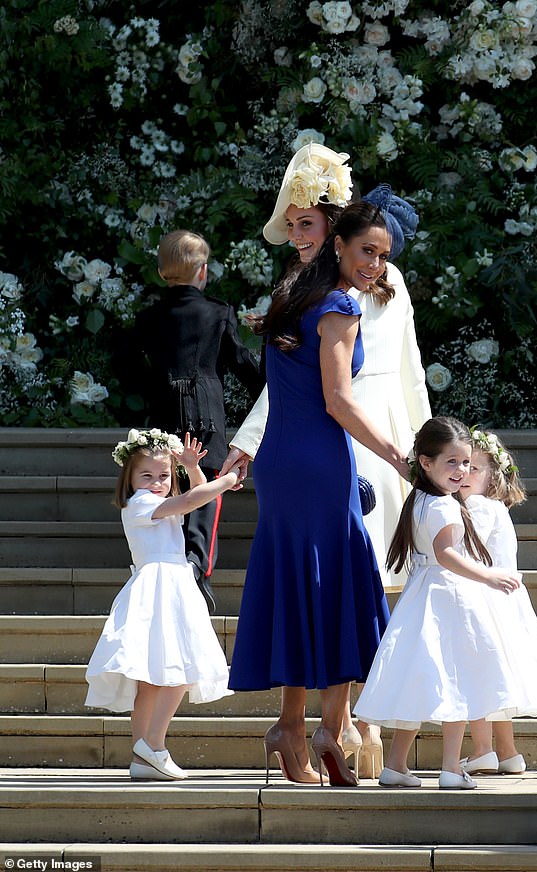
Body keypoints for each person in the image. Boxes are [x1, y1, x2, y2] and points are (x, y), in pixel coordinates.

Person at [221, 143, 431, 778]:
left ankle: (297, 728)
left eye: (383, 254)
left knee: (302, 584)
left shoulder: (294, 291)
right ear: (341, 243)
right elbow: (339, 399)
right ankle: (327, 732)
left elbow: (306, 387)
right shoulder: (337, 303)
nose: (376, 264)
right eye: (367, 250)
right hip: (326, 453)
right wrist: (402, 457)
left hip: (291, 457)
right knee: (339, 586)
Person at [354, 416, 526, 790]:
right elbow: (446, 554)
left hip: (422, 596)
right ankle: (451, 767)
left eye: (466, 463)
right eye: (452, 462)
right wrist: (490, 575)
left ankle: (396, 765)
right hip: (450, 596)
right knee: (458, 680)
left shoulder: (419, 497)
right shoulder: (445, 505)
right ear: (426, 462)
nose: (462, 470)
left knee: (419, 679)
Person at [85, 428, 242, 781]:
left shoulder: (159, 503)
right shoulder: (140, 504)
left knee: (154, 680)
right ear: (130, 478)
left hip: (170, 584)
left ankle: (143, 758)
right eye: (147, 475)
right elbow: (190, 501)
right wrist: (227, 479)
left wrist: (191, 468)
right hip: (161, 586)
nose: (156, 482)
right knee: (181, 668)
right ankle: (153, 744)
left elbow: (195, 497)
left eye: (164, 476)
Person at [132, 229, 264, 612]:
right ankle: (197, 565)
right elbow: (242, 364)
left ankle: (173, 566)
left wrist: (153, 385)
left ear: (161, 272)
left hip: (163, 414)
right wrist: (274, 393)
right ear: (203, 271)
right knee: (205, 493)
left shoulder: (149, 317)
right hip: (207, 414)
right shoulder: (218, 312)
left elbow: (123, 363)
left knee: (165, 488)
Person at [459, 428, 537, 776]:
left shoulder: (477, 506)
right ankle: (508, 752)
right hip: (505, 603)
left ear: (493, 477)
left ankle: (483, 748)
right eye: (462, 465)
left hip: (485, 600)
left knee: (479, 676)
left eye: (475, 468)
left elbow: (466, 552)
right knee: (497, 680)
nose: (465, 474)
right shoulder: (495, 507)